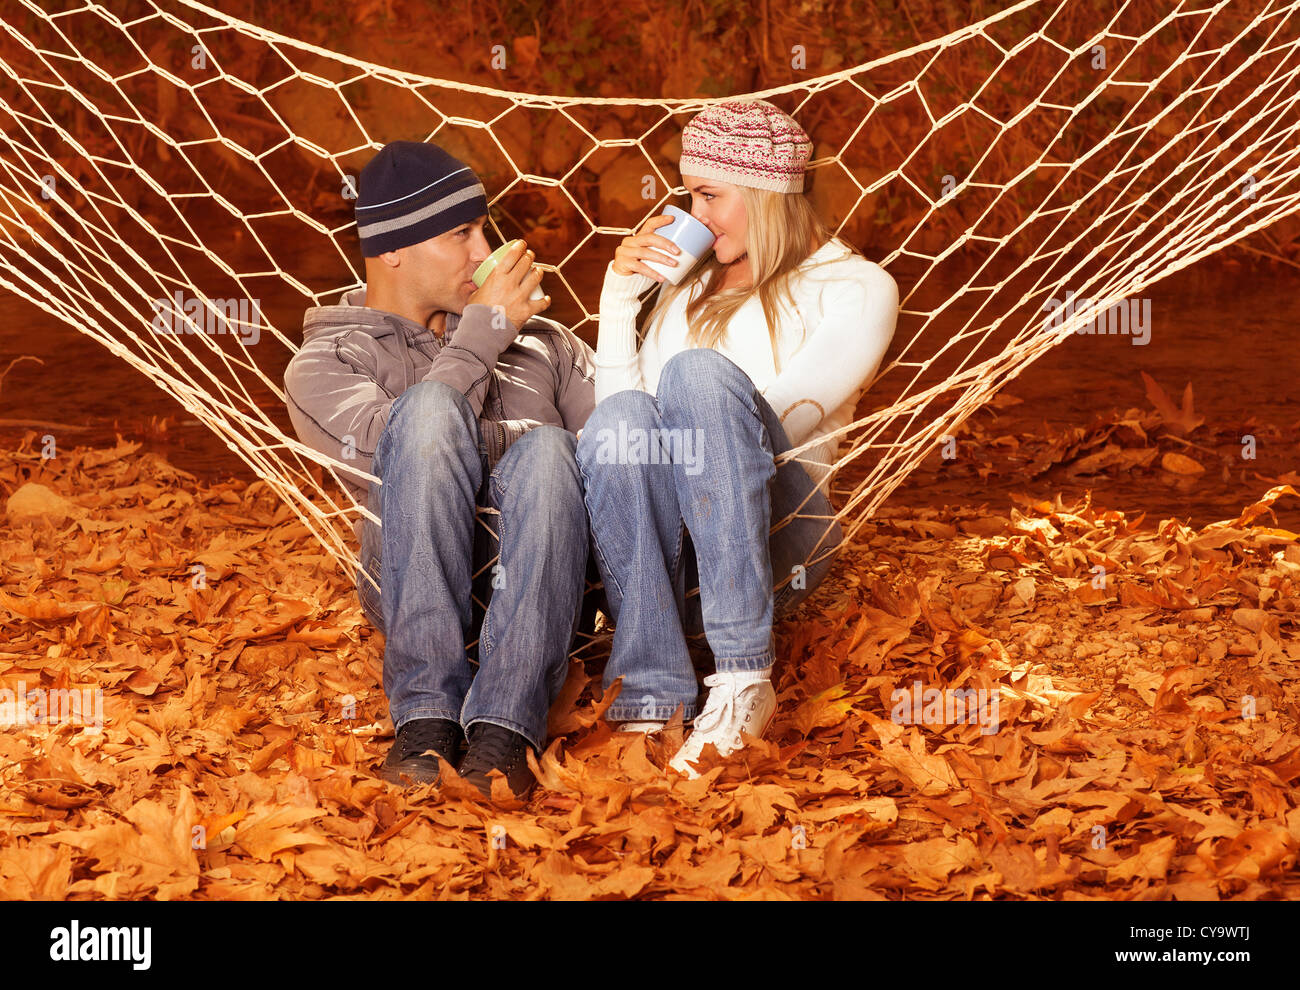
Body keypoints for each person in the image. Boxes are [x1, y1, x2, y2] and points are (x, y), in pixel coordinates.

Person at [575, 100, 899, 778]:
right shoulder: (688, 285)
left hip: (777, 532)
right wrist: (619, 297)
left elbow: (768, 436)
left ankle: (744, 675)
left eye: (708, 195)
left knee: (697, 380)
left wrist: (696, 397)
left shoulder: (857, 288)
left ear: (766, 194)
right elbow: (618, 433)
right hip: (675, 552)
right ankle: (652, 690)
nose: (689, 214)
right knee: (620, 422)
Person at [284, 141, 598, 799]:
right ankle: (425, 716)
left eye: (482, 229)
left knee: (550, 455)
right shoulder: (325, 364)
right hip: (413, 587)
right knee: (427, 413)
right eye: (462, 233)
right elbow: (400, 460)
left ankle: (507, 729)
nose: (485, 252)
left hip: (548, 579)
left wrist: (625, 303)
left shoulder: (545, 342)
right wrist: (480, 340)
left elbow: (615, 462)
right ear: (392, 249)